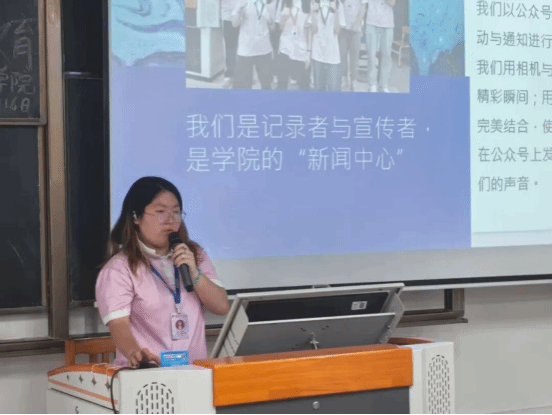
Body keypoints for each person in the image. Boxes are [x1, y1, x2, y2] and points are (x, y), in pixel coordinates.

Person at [95, 177, 229, 367]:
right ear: (136, 217)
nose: (170, 220)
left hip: (194, 372)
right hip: (148, 372)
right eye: (160, 212)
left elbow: (221, 307)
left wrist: (194, 273)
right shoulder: (119, 268)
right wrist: (135, 353)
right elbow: (118, 325)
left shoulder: (194, 255)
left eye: (176, 212)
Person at [232, 0, 276, 89]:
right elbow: (234, 24)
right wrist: (239, 10)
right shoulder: (242, 1)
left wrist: (270, 20)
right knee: (243, 87)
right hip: (246, 49)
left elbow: (273, 28)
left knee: (266, 84)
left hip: (264, 48)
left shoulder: (269, 2)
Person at [310, 0, 346, 92]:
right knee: (318, 89)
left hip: (332, 54)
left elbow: (337, 31)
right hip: (318, 53)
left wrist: (336, 11)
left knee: (334, 90)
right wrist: (313, 11)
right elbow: (314, 29)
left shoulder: (338, 4)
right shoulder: (314, 3)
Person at [276, 0, 312, 90]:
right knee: (282, 84)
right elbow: (280, 27)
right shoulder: (284, 3)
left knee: (304, 85)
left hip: (301, 50)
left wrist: (309, 51)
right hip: (285, 48)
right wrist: (283, 17)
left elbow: (309, 31)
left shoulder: (307, 5)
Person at [363, 0, 395, 93]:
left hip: (387, 23)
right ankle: (372, 84)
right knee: (371, 55)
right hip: (371, 22)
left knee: (386, 55)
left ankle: (383, 85)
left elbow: (392, 3)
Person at [339, 0, 367, 92]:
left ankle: (353, 79)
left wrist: (357, 24)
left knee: (354, 56)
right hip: (342, 27)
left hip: (356, 29)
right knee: (342, 55)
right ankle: (344, 78)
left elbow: (363, 8)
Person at [221, 0, 240, 88]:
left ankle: (243, 74)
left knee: (244, 47)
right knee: (230, 48)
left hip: (245, 17)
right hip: (228, 17)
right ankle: (229, 75)